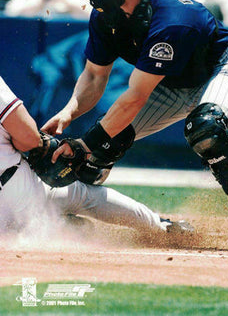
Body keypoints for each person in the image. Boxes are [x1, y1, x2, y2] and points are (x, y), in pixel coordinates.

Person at [41, 0, 228, 253]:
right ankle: (71, 214)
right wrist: (70, 110)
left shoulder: (171, 19)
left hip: (220, 69)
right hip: (169, 84)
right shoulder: (105, 16)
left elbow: (135, 98)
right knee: (99, 149)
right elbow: (95, 75)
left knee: (206, 129)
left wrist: (85, 142)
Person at [0, 75, 190, 236]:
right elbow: (28, 139)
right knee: (83, 195)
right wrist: (41, 146)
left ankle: (56, 225)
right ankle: (161, 227)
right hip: (18, 196)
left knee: (43, 218)